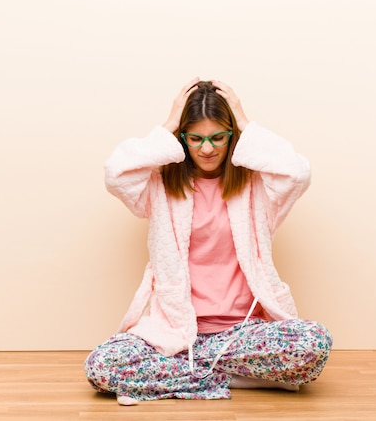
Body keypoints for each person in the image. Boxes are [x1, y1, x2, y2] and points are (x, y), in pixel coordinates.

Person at [84, 78, 332, 405]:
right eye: (195, 138)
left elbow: (297, 174)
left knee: (314, 342)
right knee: (101, 366)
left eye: (218, 137)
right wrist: (170, 123)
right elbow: (116, 174)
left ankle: (197, 372)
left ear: (232, 137)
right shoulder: (159, 186)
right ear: (182, 139)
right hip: (176, 333)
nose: (207, 148)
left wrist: (244, 121)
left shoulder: (259, 188)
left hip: (243, 333)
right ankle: (235, 377)